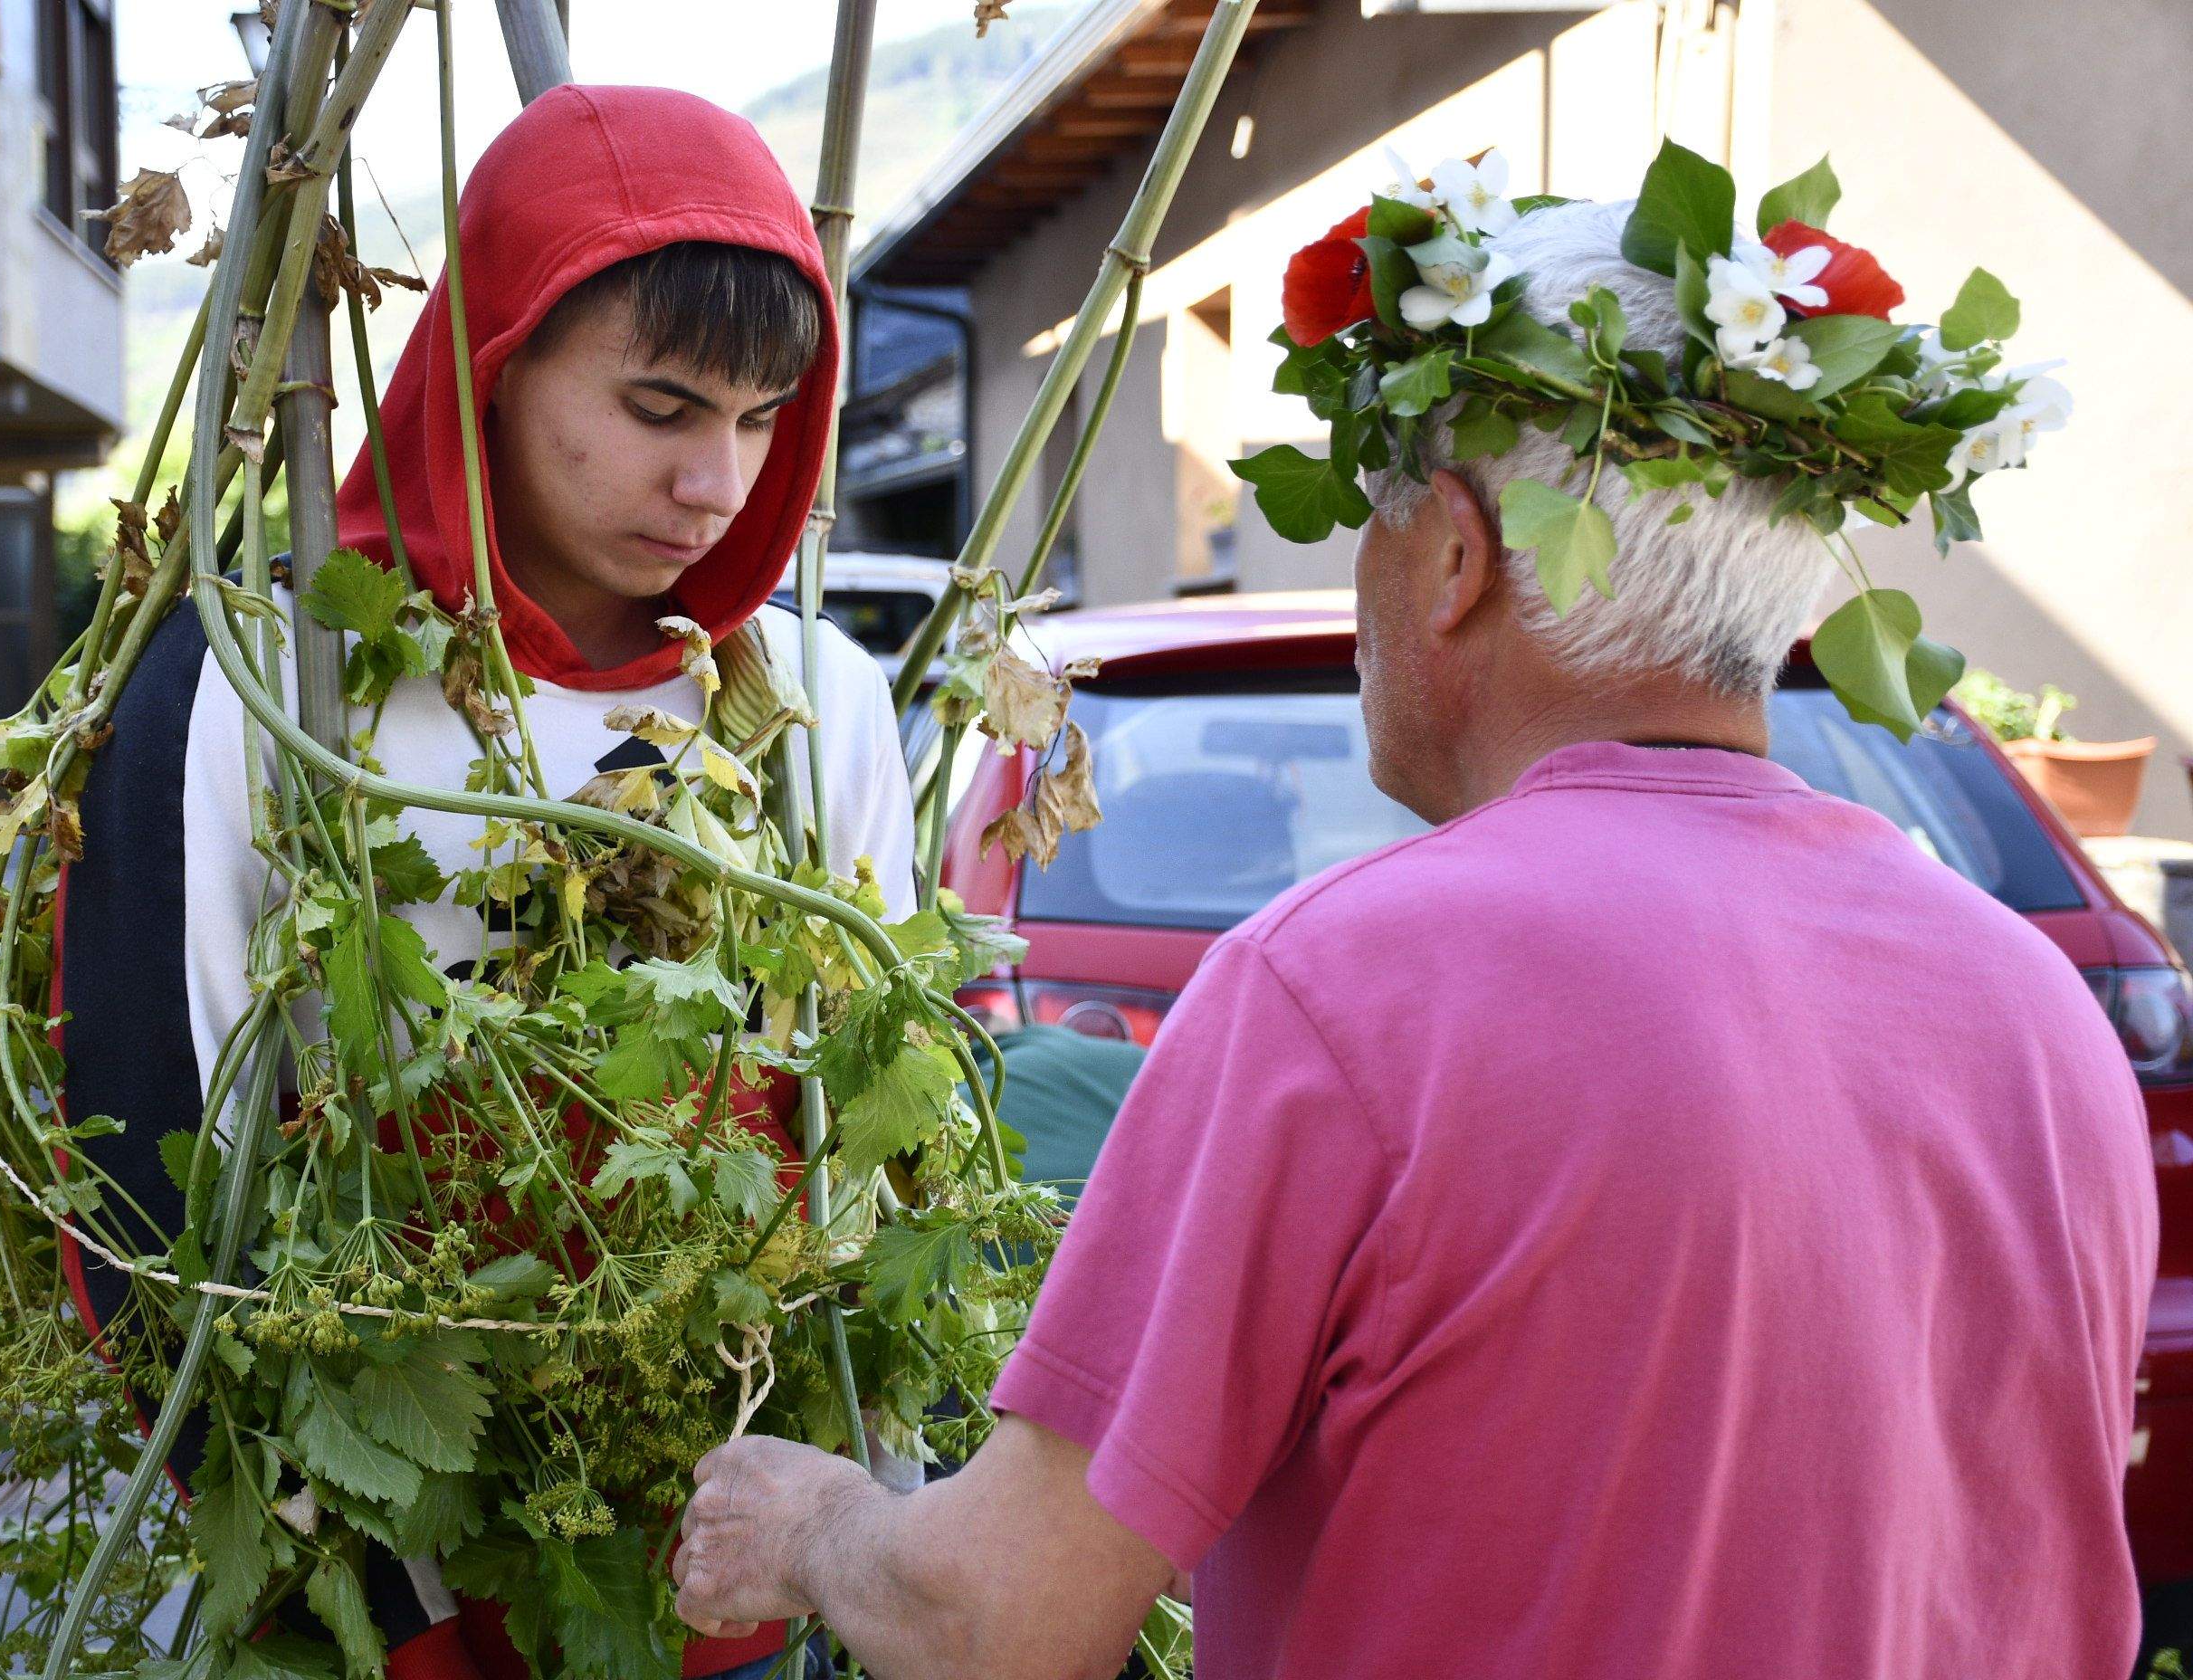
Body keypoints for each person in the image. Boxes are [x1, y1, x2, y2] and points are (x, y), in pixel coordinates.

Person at [669, 197, 2157, 1677]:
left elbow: (1002, 1618)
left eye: (1372, 521)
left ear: (1451, 554)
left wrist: (815, 1521)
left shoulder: (1350, 988)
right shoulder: (2037, 1009)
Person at [54, 86, 911, 1680]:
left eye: (760, 417)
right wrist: (378, 1595)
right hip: (376, 1577)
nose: (718, 482)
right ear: (491, 363)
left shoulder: (811, 700)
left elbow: (870, 1122)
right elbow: (146, 1161)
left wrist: (835, 1522)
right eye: (660, 409)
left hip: (719, 1569)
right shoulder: (274, 686)